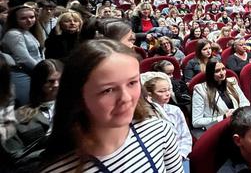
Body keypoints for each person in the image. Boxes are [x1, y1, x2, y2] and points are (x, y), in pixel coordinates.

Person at [40, 39, 183, 172]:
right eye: (108, 90)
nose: (126, 98)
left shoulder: (160, 131)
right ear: (78, 96)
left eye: (132, 83)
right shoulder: (57, 169)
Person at [143, 73, 192, 171]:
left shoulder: (175, 110)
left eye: (168, 90)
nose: (167, 94)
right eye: (161, 91)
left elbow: (185, 137)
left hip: (179, 157)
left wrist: (181, 155)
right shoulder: (145, 116)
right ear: (149, 95)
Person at [2, 6, 44, 106]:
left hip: (33, 72)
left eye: (32, 17)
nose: (29, 20)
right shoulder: (14, 34)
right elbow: (24, 59)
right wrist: (44, 69)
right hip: (21, 75)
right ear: (15, 20)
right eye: (23, 18)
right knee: (26, 105)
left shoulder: (28, 31)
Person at [15, 59, 62, 149]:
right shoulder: (20, 115)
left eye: (60, 80)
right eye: (51, 81)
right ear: (39, 82)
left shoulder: (77, 106)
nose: (56, 85)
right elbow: (16, 155)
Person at [192, 60, 249, 129]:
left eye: (223, 69)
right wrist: (223, 117)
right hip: (219, 128)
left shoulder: (232, 81)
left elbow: (245, 102)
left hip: (238, 122)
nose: (222, 73)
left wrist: (237, 111)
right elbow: (196, 121)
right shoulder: (200, 89)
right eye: (217, 71)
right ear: (210, 73)